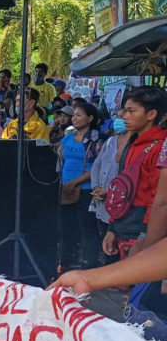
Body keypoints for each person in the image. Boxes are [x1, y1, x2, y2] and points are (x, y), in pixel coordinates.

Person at [103, 86, 167, 259]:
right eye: (125, 110)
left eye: (131, 111)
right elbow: (122, 189)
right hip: (124, 225)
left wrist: (145, 237)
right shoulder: (133, 143)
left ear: (151, 114)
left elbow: (158, 199)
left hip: (142, 231)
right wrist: (112, 228)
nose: (125, 115)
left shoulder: (160, 147)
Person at [57, 103, 101, 272]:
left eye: (79, 115)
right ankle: (66, 261)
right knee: (67, 227)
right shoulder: (68, 137)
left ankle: (90, 265)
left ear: (90, 118)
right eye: (74, 115)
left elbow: (97, 166)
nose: (74, 118)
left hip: (86, 188)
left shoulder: (96, 139)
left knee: (87, 227)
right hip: (66, 187)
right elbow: (61, 156)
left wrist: (75, 181)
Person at [89, 108, 130, 265]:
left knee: (120, 245)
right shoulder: (111, 141)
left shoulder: (135, 145)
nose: (120, 118)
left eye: (125, 114)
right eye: (119, 115)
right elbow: (97, 166)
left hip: (121, 203)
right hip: (103, 201)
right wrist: (96, 187)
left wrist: (111, 192)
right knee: (106, 241)